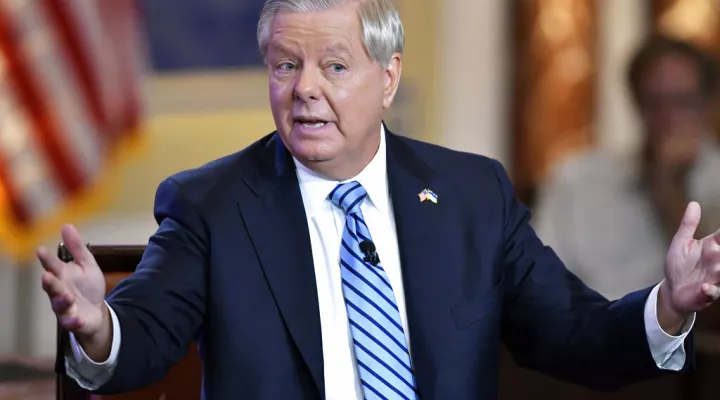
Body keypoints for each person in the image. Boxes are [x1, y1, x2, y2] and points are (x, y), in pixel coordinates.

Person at [37, 2, 720, 399]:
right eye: (284, 65)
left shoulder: (470, 195)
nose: (304, 89)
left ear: (387, 77)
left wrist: (666, 306)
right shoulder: (211, 203)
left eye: (334, 66)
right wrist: (98, 323)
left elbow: (572, 334)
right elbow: (142, 337)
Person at [533, 35, 720, 300]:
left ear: (707, 104)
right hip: (589, 329)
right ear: (636, 101)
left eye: (683, 101)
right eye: (655, 102)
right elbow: (538, 281)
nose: (669, 118)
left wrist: (670, 190)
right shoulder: (577, 179)